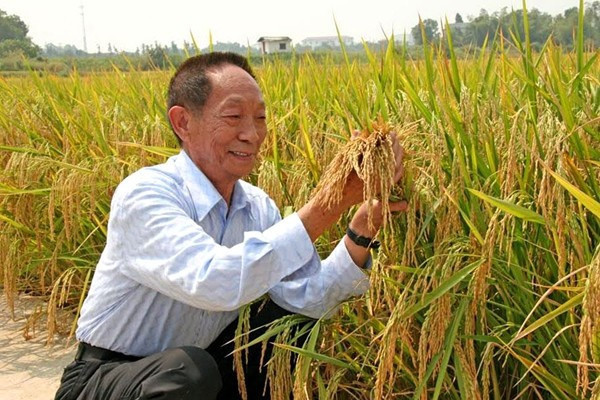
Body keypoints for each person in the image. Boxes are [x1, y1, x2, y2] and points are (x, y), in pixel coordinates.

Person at [54, 52, 407, 400]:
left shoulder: (256, 207)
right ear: (183, 123)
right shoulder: (146, 195)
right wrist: (330, 202)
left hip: (194, 374)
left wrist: (363, 228)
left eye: (260, 118)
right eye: (234, 116)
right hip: (106, 380)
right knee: (189, 371)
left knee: (282, 329)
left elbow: (306, 297)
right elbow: (214, 281)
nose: (251, 134)